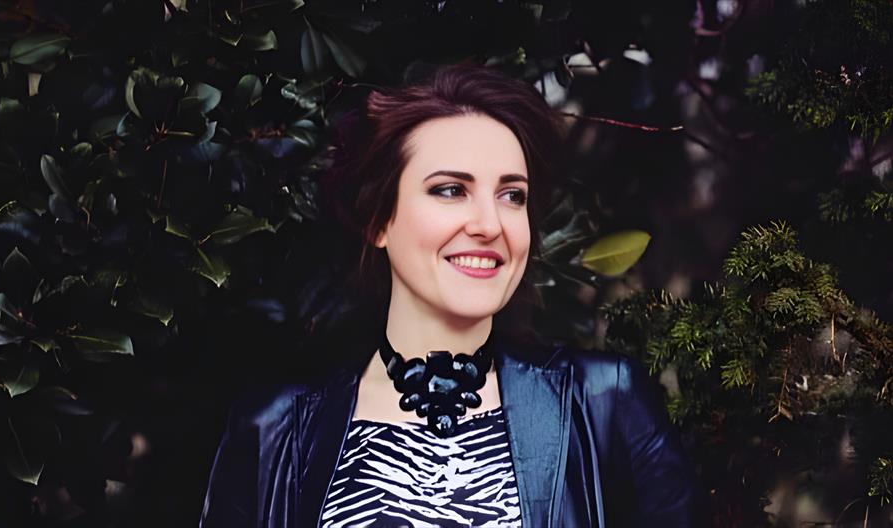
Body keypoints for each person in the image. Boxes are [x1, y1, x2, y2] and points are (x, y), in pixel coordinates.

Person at [199, 64, 700, 527]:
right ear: (379, 220)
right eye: (450, 190)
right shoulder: (273, 429)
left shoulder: (604, 402)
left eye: (512, 195)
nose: (488, 224)